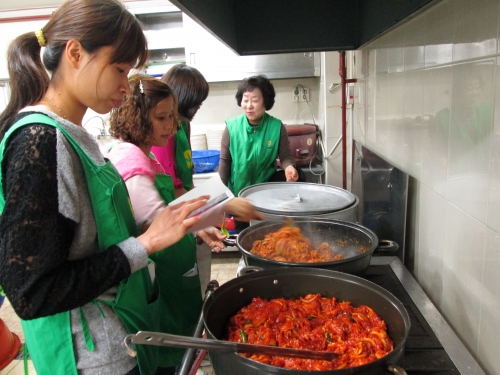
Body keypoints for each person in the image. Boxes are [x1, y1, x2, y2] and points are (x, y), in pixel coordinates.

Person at [0, 1, 209, 375]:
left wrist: (157, 229)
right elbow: (31, 293)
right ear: (76, 53)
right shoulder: (40, 140)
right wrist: (144, 245)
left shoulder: (73, 137)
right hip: (86, 359)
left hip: (115, 340)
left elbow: (86, 241)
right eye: (119, 68)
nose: (126, 87)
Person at [105, 74, 263, 375]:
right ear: (137, 118)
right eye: (162, 118)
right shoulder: (132, 163)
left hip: (174, 270)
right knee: (170, 354)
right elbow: (158, 225)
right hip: (162, 278)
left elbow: (165, 212)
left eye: (172, 117)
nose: (172, 126)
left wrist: (202, 226)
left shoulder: (144, 155)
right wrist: (222, 207)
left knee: (182, 345)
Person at [218, 75, 305, 232]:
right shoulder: (231, 127)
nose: (249, 105)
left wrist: (289, 168)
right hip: (240, 196)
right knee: (245, 237)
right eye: (245, 100)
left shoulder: (276, 126)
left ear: (265, 101)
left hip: (266, 192)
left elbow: (285, 156)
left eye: (255, 100)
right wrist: (220, 198)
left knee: (269, 234)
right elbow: (225, 162)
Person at [151, 64, 209, 198]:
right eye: (196, 102)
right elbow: (171, 184)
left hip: (184, 201)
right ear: (184, 98)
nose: (199, 106)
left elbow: (187, 180)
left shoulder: (184, 123)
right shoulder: (165, 131)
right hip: (172, 205)